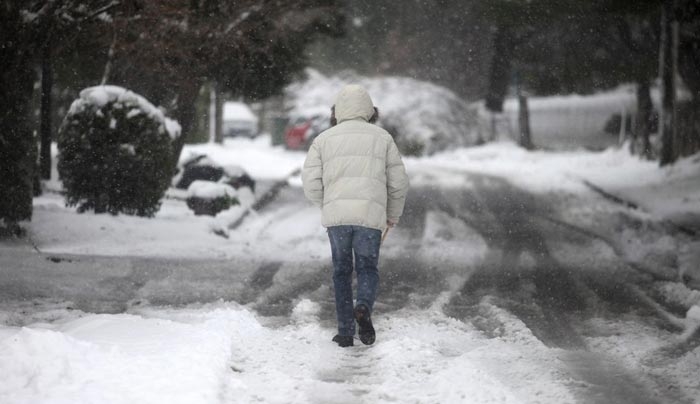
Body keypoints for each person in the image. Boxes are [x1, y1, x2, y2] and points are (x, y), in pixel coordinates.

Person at [301, 85, 409, 347]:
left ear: (337, 111)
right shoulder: (382, 138)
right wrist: (391, 216)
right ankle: (363, 307)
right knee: (367, 269)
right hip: (370, 219)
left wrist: (327, 204)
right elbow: (398, 183)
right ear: (370, 111)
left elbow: (310, 182)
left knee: (341, 272)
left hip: (338, 220)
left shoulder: (323, 140)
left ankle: (346, 331)